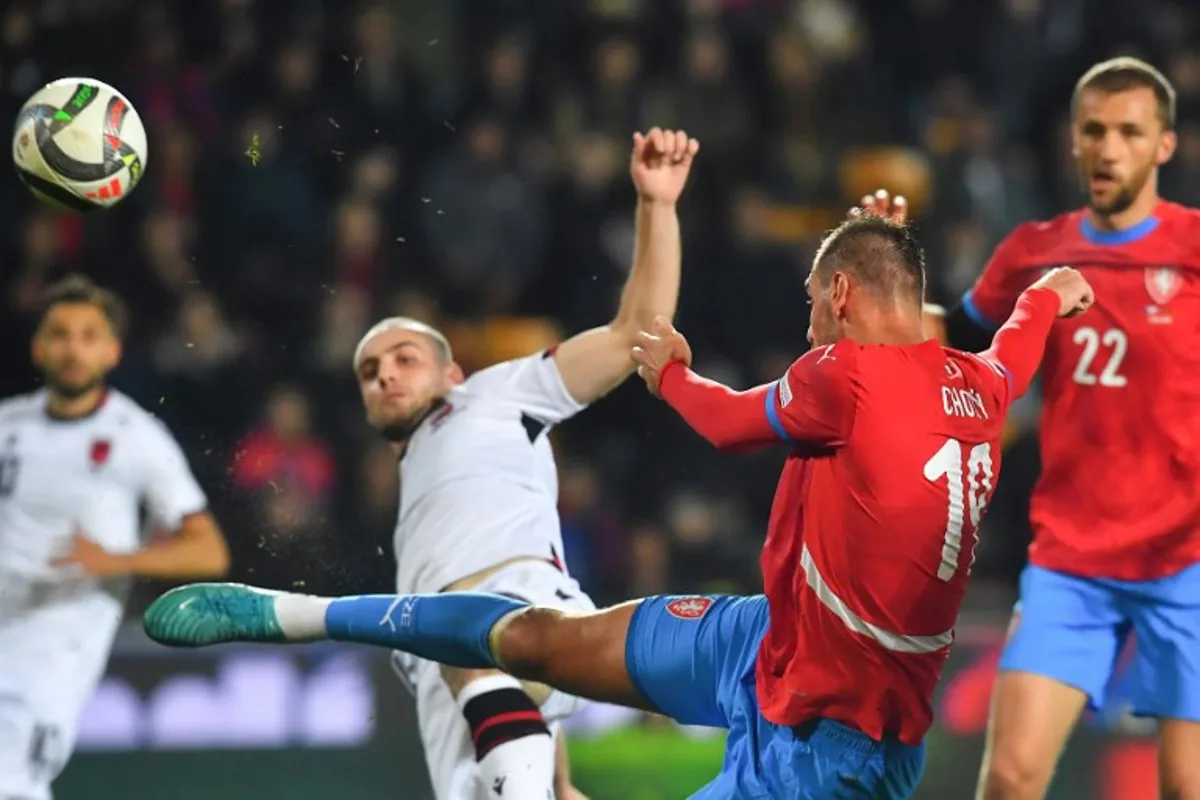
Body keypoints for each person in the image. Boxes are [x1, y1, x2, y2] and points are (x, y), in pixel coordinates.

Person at [142, 216, 1093, 799]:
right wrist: (1052, 290)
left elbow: (723, 425)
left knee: (528, 648)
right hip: (764, 642)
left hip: (828, 753)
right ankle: (291, 613)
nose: (806, 320)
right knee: (537, 638)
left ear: (840, 294)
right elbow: (1021, 337)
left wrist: (666, 371)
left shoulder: (840, 371)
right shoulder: (986, 383)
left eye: (812, 301)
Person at [864, 56, 1200, 800]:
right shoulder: (1033, 253)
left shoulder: (1195, 246)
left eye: (1129, 132)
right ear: (1071, 142)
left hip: (1187, 562)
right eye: (1094, 132)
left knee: (1186, 787)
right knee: (1010, 779)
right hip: (1072, 563)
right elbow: (950, 342)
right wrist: (890, 273)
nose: (1109, 149)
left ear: (1164, 146)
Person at [342, 128, 698, 800]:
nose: (385, 374)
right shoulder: (415, 489)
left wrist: (657, 206)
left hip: (507, 622)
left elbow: (635, 333)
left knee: (459, 635)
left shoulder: (493, 395)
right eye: (369, 370)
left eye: (404, 358)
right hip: (469, 682)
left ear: (452, 371)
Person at [0, 275, 230, 800]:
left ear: (111, 351)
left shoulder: (137, 439)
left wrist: (115, 559)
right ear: (39, 348)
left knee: (13, 780)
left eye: (87, 336)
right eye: (59, 334)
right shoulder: (8, 425)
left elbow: (209, 550)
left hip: (54, 647)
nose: (72, 348)